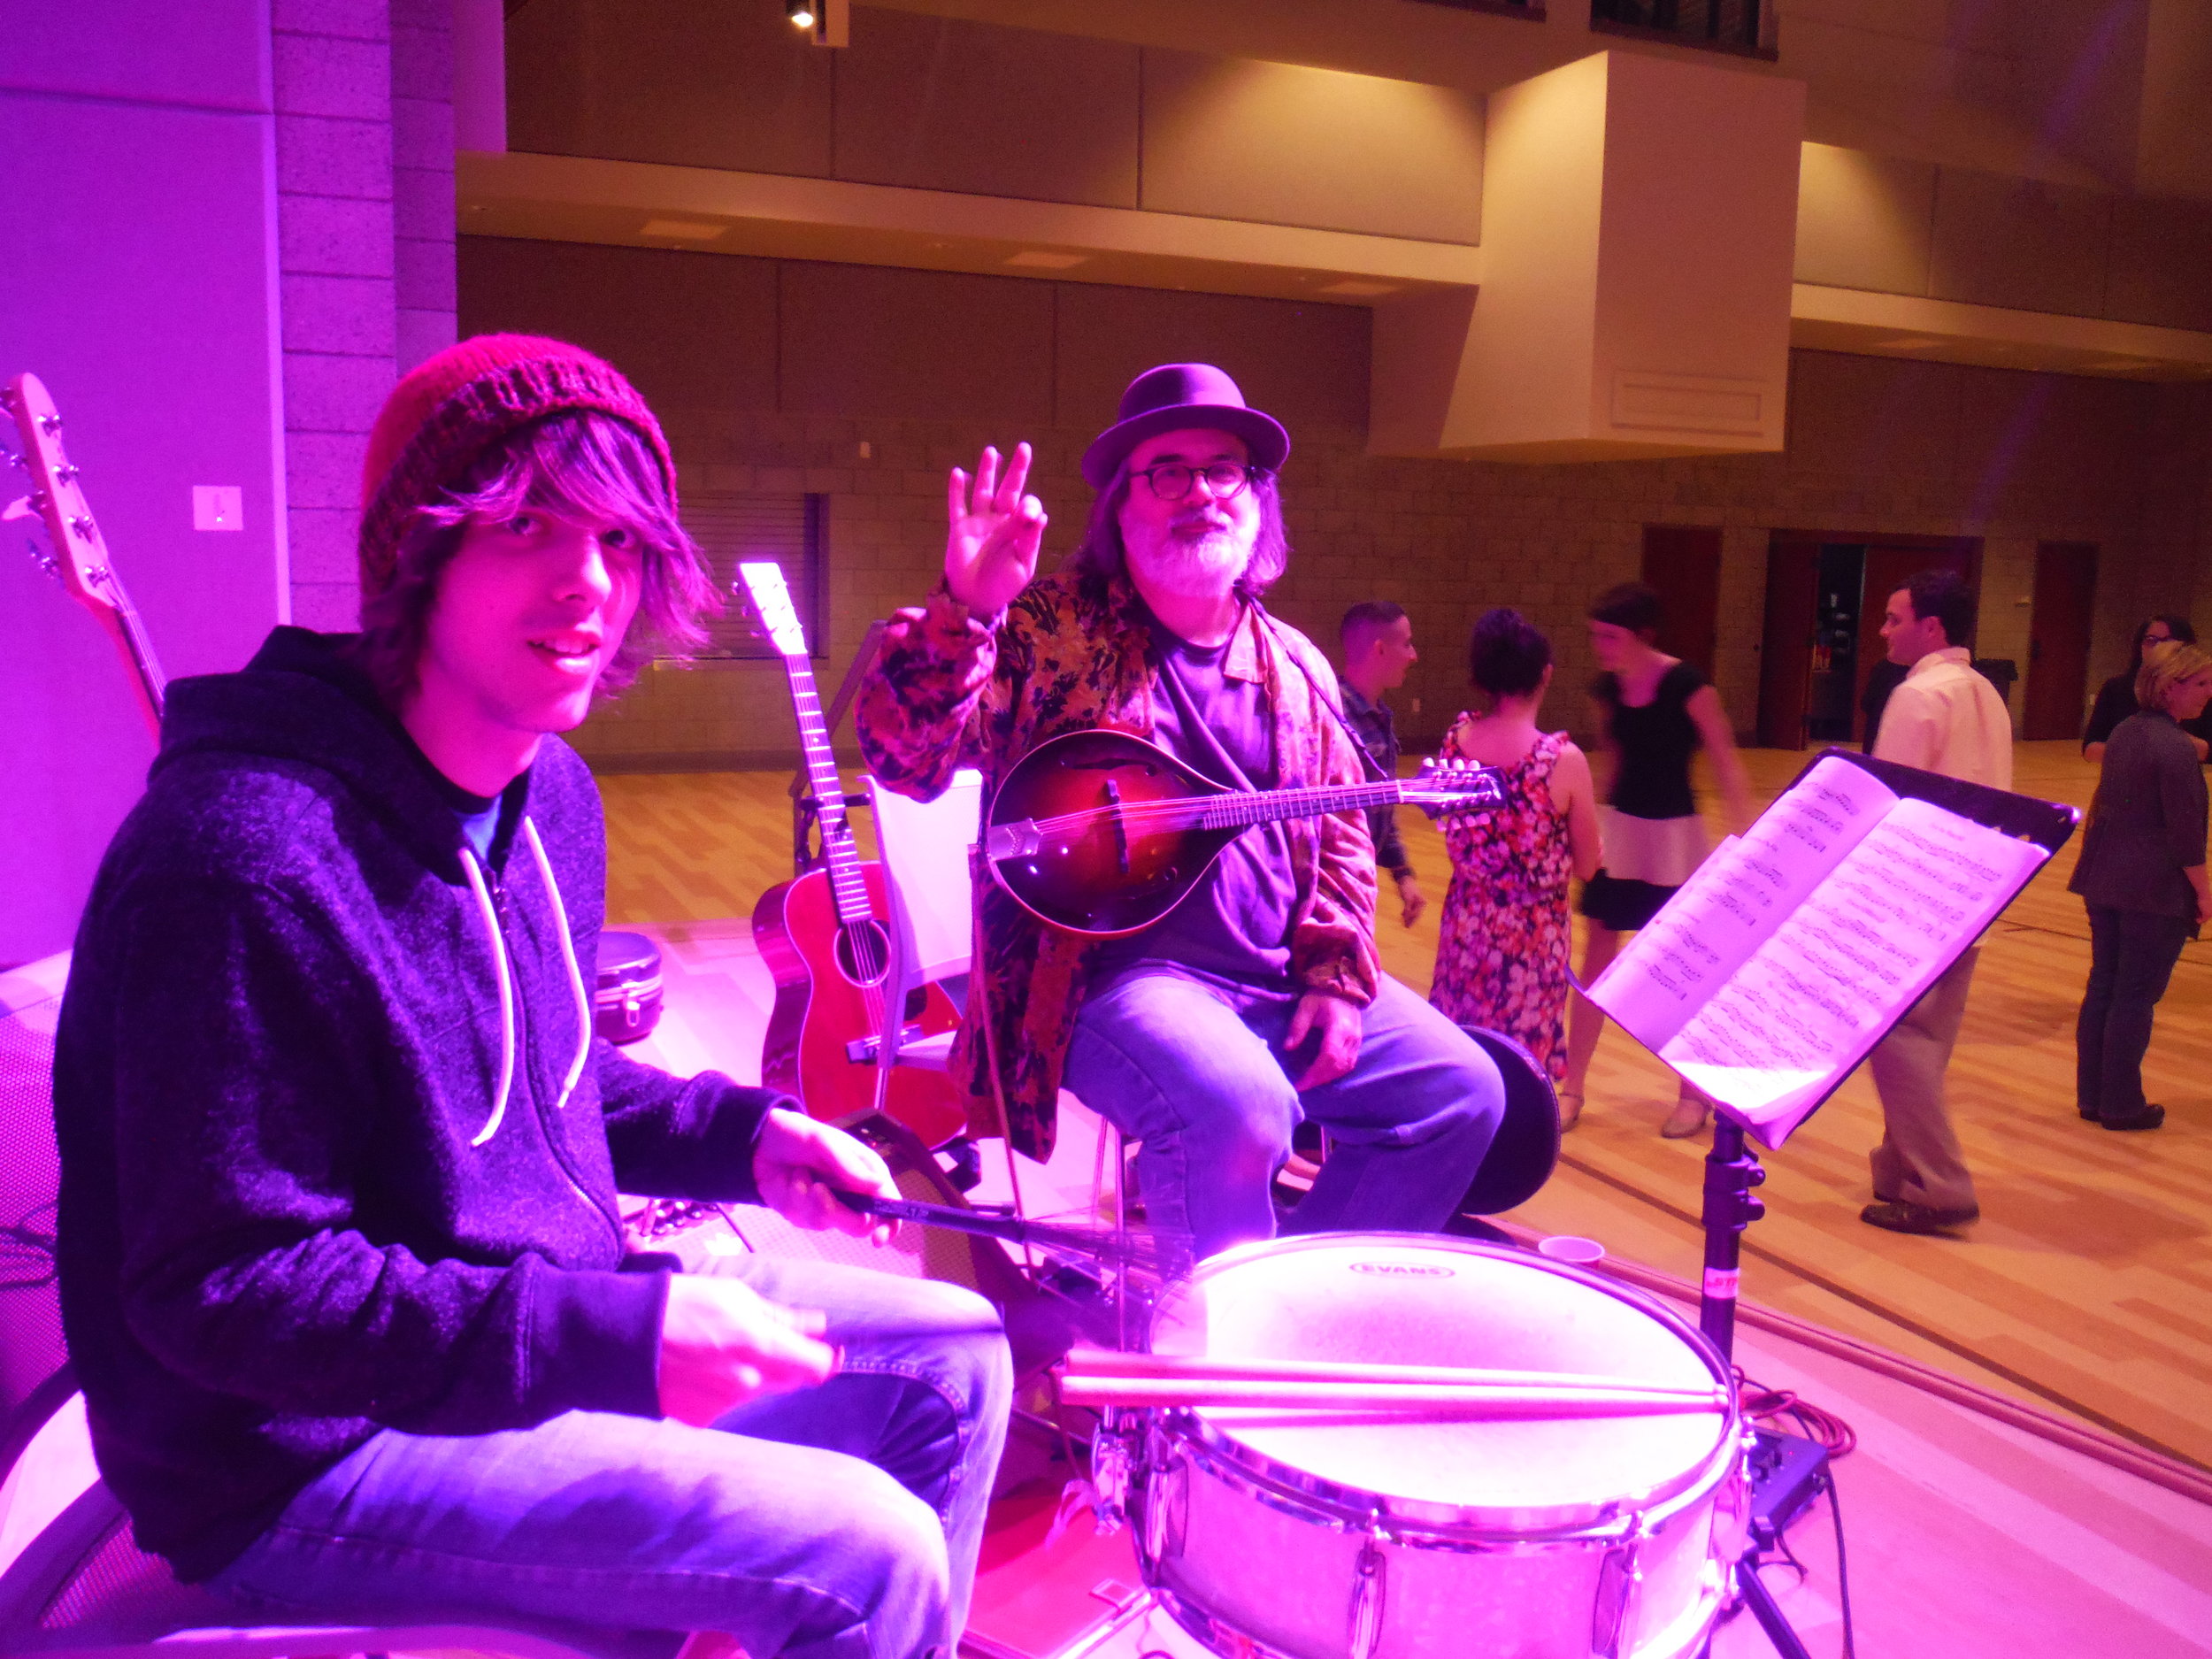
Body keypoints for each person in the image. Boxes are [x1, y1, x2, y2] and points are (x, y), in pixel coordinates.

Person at [51, 335, 1010, 1659]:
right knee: (866, 1550)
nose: (588, 584)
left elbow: (536, 1078)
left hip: (509, 1328)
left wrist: (743, 1135)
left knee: (960, 1351)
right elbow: (220, 1285)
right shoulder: (243, 857)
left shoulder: (547, 790)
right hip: (298, 1459)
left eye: (622, 543)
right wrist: (606, 1330)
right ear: (416, 554)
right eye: (528, 528)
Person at [856, 363, 1505, 1265]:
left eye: (1222, 469)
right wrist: (965, 611)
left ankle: (1296, 1304)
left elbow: (1345, 841)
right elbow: (903, 760)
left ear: (1256, 499)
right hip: (1103, 982)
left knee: (1462, 1092)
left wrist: (1334, 975)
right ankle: (1207, 1371)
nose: (1198, 491)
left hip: (1275, 977)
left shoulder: (1296, 665)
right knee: (1239, 1110)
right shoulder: (1044, 631)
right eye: (1166, 470)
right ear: (1122, 505)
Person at [1562, 581, 1751, 1138]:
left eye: (1610, 636)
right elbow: (1610, 765)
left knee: (1686, 968)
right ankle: (1572, 1086)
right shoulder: (1607, 689)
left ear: (1643, 635)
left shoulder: (1689, 686)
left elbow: (1726, 761)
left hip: (1676, 840)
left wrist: (1745, 839)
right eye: (1595, 636)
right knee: (1597, 959)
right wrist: (1582, 832)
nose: (1600, 646)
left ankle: (1694, 1094)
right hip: (1621, 834)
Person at [1858, 568, 2013, 1234]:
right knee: (1925, 1040)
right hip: (1976, 891)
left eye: (1895, 617)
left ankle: (1944, 1184)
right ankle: (1902, 1172)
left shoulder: (1916, 696)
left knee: (1894, 1038)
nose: (1884, 629)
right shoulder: (1988, 694)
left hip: (1914, 894)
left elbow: (1885, 804)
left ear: (1933, 628)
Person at [1429, 610, 1602, 1103]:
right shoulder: (1561, 761)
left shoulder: (1456, 741)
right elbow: (1589, 864)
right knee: (1522, 1057)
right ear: (1545, 674)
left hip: (1467, 920)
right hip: (1532, 933)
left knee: (1462, 1040)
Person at [2067, 640, 2212, 1132]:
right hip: (2151, 886)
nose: (2208, 695)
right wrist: (2204, 890)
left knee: (2105, 985)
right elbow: (2186, 833)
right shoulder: (2175, 748)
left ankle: (2094, 1096)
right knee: (2134, 994)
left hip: (2105, 875)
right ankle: (2123, 1103)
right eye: (2202, 685)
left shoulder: (2126, 731)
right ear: (2172, 689)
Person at [1338, 601, 1427, 928]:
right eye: (1405, 644)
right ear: (1379, 649)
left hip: (1359, 885)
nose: (1413, 655)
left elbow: (1380, 804)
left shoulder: (1379, 718)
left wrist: (1403, 873)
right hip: (1332, 890)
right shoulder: (1333, 718)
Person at [2083, 616, 2210, 764]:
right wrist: (2144, 751)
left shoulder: (2203, 692)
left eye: (2169, 641)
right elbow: (2090, 748)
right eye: (2151, 640)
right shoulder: (2116, 689)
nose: (2159, 647)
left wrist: (2184, 745)